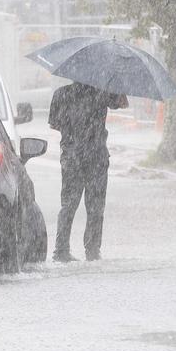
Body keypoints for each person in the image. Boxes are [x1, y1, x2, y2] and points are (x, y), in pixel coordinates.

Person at [48, 81, 128, 262]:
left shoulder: (61, 93)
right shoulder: (102, 92)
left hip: (71, 156)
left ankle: (61, 250)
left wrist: (74, 128)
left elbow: (54, 124)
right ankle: (92, 250)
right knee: (95, 207)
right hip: (96, 156)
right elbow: (123, 103)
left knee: (68, 205)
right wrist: (118, 81)